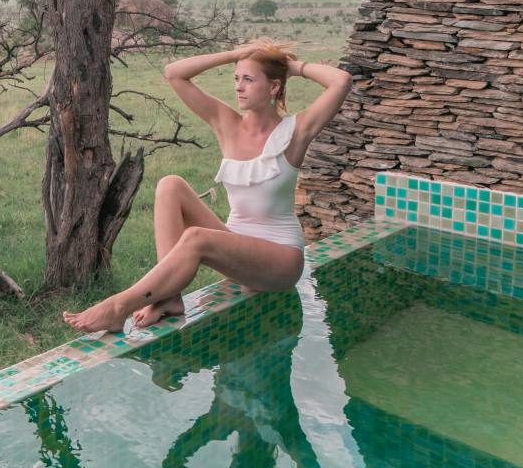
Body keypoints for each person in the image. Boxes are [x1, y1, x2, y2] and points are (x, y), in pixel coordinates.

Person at [61, 40, 352, 334]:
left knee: (197, 238)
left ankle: (117, 307)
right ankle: (167, 297)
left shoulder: (295, 132)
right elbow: (174, 73)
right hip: (234, 245)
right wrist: (236, 56)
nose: (238, 87)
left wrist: (292, 67)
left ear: (274, 87)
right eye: (236, 78)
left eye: (248, 79)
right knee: (170, 186)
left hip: (280, 259)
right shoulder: (226, 122)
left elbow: (341, 81)